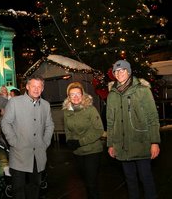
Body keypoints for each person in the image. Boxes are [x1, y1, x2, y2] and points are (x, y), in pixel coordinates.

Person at [106, 60, 160, 199]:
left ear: (129, 72)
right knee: (130, 180)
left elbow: (152, 117)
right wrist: (110, 144)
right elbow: (110, 121)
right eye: (116, 71)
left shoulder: (142, 90)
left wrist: (155, 142)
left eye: (122, 70)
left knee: (146, 179)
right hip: (122, 145)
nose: (119, 73)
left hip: (141, 143)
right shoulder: (112, 94)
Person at [1, 75, 54, 199]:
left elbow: (50, 125)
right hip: (19, 154)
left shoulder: (45, 105)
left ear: (42, 88)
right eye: (33, 86)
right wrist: (13, 141)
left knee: (35, 188)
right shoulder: (14, 102)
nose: (36, 89)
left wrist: (45, 142)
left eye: (39, 86)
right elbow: (5, 122)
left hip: (38, 156)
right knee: (18, 190)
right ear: (27, 87)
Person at [62, 82, 104, 199]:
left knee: (91, 183)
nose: (75, 97)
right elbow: (67, 129)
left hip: (92, 150)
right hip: (77, 152)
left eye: (78, 94)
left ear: (83, 95)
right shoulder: (67, 112)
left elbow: (99, 130)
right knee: (86, 181)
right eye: (72, 94)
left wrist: (80, 142)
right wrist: (69, 140)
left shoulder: (90, 109)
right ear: (68, 97)